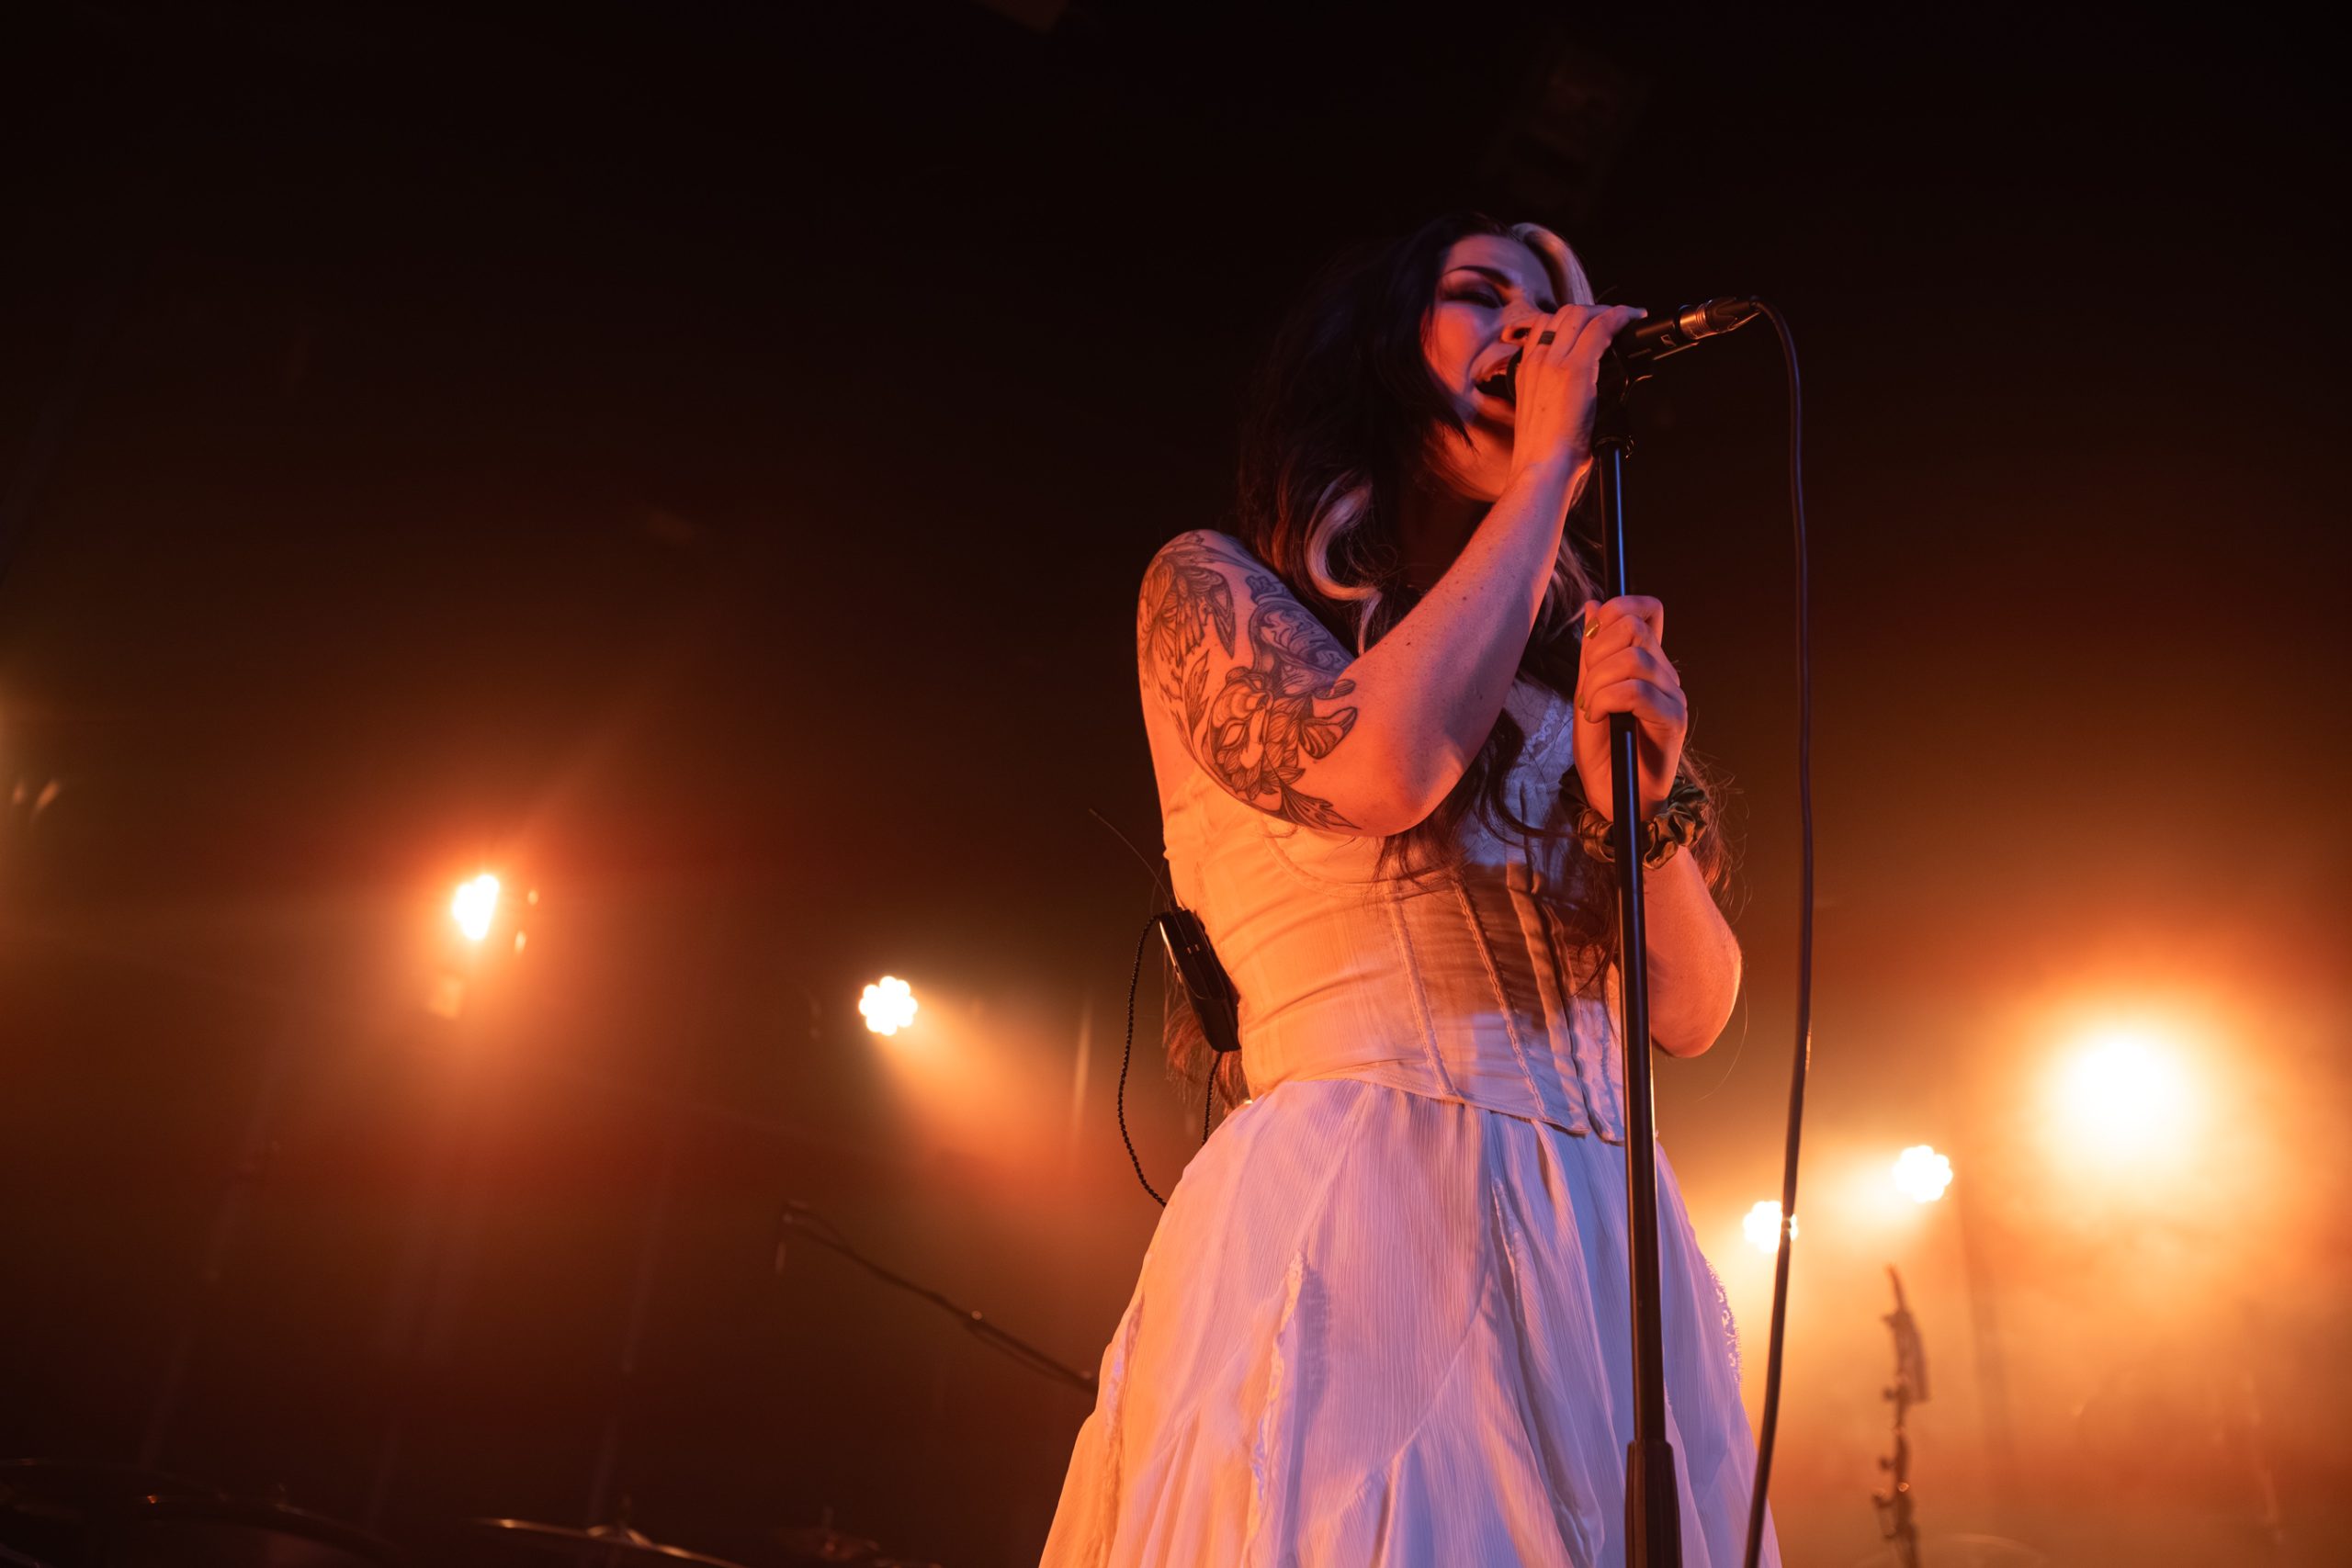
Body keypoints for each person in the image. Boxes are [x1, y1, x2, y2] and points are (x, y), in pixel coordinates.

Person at [1042, 213, 1776, 1567]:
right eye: (1483, 294)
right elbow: (1381, 768)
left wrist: (1642, 811)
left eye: (1556, 304)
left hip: (1604, 1233)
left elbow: (1693, 1008)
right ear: (1377, 347)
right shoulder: (1213, 589)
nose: (1534, 329)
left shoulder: (1571, 669)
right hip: (1365, 1200)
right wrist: (1549, 463)